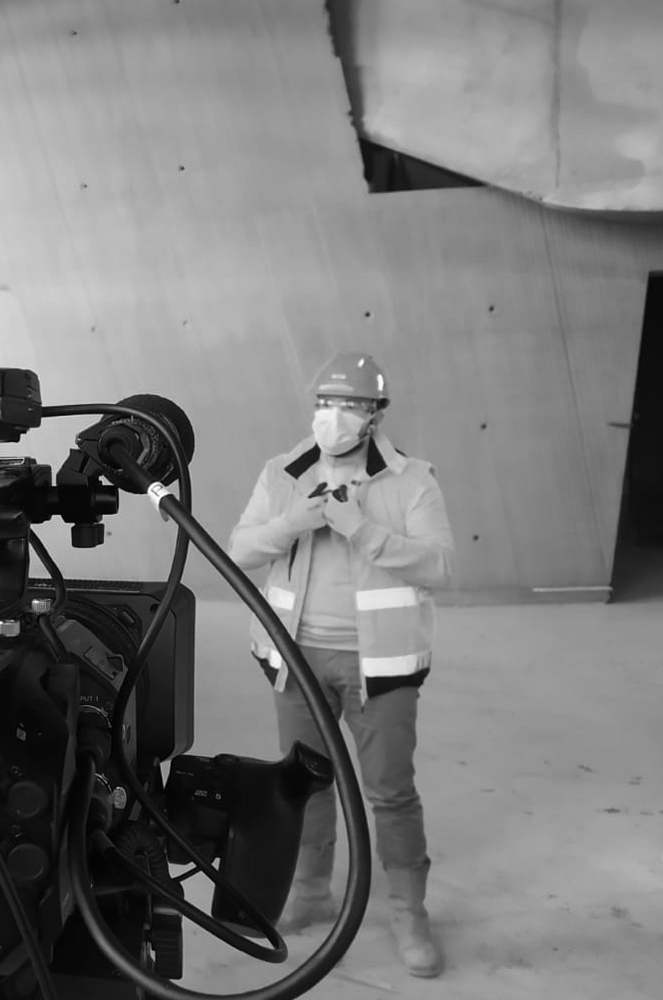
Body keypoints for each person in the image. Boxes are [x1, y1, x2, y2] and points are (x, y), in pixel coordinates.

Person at [227, 351, 454, 978]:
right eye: (326, 403)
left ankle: (410, 914)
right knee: (305, 784)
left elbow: (439, 565)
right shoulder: (283, 472)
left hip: (380, 666)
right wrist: (292, 522)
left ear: (376, 415)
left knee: (389, 792)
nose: (334, 416)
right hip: (296, 660)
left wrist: (363, 530)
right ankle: (311, 893)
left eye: (349, 405)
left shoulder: (410, 480)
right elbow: (240, 548)